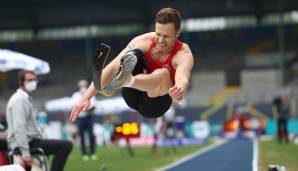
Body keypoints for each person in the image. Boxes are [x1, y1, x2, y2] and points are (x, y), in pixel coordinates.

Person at [70, 7, 194, 121]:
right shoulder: (143, 41)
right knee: (133, 55)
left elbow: (182, 78)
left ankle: (127, 80)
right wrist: (87, 97)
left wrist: (179, 90)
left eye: (166, 36)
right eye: (158, 34)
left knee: (163, 74)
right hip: (132, 95)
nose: (160, 41)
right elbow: (113, 66)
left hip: (154, 104)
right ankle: (125, 80)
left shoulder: (183, 54)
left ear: (177, 33)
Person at [6, 70, 73, 171]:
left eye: (35, 80)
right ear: (21, 82)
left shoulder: (24, 99)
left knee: (63, 145)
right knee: (65, 145)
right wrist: (25, 152)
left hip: (30, 140)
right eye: (30, 80)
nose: (33, 82)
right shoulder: (19, 100)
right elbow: (19, 127)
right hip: (26, 143)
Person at [71, 79, 97, 161]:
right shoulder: (75, 95)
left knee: (91, 136)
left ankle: (92, 153)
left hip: (89, 117)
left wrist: (83, 108)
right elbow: (74, 106)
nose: (83, 87)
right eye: (82, 86)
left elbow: (93, 106)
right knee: (81, 137)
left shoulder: (91, 94)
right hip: (80, 118)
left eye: (84, 85)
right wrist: (85, 108)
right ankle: (84, 154)